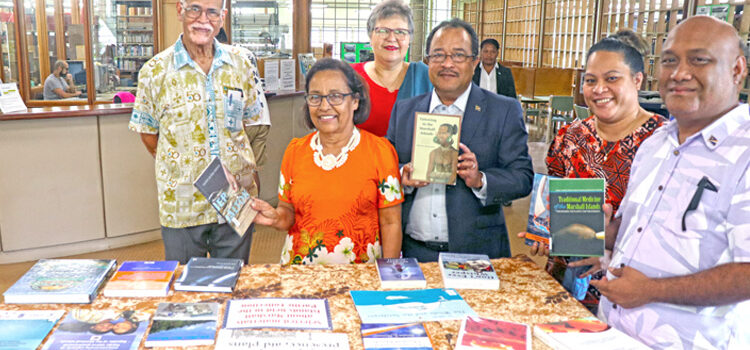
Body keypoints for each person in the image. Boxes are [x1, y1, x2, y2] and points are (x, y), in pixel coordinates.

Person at [591, 16, 750, 348]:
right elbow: (639, 229)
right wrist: (601, 237)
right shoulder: (655, 144)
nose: (679, 73)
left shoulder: (744, 153)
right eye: (669, 61)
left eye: (699, 59)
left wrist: (650, 290)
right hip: (613, 333)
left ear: (737, 70)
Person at [520, 31, 667, 312]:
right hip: (565, 286)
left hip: (633, 294)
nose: (599, 89)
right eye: (590, 80)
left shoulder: (663, 141)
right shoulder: (570, 137)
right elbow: (554, 207)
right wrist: (543, 232)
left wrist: (613, 248)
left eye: (612, 78)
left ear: (638, 80)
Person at [387, 18, 533, 262]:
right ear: (427, 60)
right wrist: (402, 176)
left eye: (458, 55)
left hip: (476, 253)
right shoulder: (405, 110)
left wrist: (480, 180)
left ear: (474, 61)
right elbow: (383, 171)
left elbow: (522, 177)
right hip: (412, 254)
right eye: (438, 55)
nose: (447, 64)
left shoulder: (503, 110)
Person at [129, 0, 263, 264]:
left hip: (235, 199)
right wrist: (182, 165)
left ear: (222, 17)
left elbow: (244, 123)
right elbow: (148, 135)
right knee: (185, 292)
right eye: (194, 9)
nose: (203, 19)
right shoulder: (154, 71)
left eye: (212, 11)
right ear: (180, 11)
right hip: (182, 204)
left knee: (233, 282)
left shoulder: (242, 64)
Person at [251, 58, 404, 265]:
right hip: (302, 276)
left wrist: (389, 277)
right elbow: (288, 213)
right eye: (315, 97)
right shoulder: (295, 151)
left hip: (362, 278)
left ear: (355, 101)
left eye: (336, 96)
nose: (324, 106)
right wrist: (276, 218)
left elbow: (391, 222)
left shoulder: (381, 151)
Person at [351, 0, 432, 137]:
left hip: (413, 159)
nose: (391, 38)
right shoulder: (349, 76)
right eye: (383, 31)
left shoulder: (426, 77)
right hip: (361, 157)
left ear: (409, 39)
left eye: (400, 32)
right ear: (370, 37)